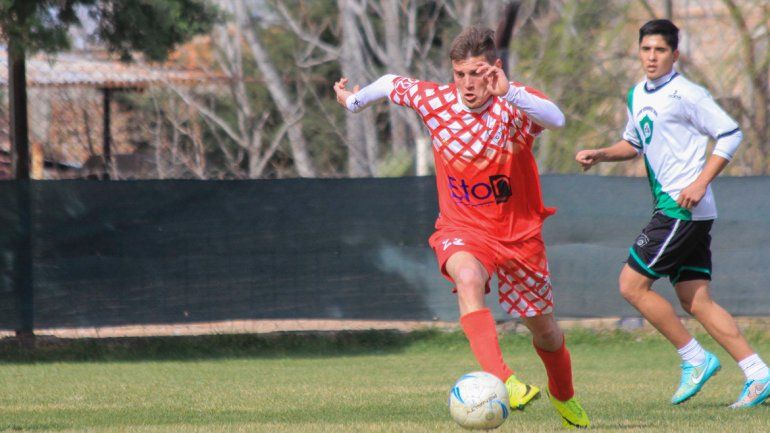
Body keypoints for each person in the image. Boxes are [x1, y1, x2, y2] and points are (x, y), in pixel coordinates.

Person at [334, 27, 589, 428]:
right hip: (463, 228)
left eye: (477, 73)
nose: (468, 84)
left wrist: (510, 92)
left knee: (545, 331)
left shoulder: (511, 104)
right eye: (460, 74)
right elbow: (387, 84)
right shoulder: (435, 100)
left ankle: (564, 396)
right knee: (468, 278)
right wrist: (353, 102)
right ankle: (505, 381)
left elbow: (556, 118)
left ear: (495, 69)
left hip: (520, 236)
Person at [575, 19, 770, 408]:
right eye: (646, 49)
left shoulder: (687, 94)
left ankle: (694, 359)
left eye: (660, 50)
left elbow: (731, 133)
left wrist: (699, 182)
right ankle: (758, 374)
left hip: (680, 208)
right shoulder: (636, 95)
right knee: (697, 301)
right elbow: (633, 143)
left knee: (631, 285)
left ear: (674, 55)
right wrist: (601, 154)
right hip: (686, 211)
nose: (651, 56)